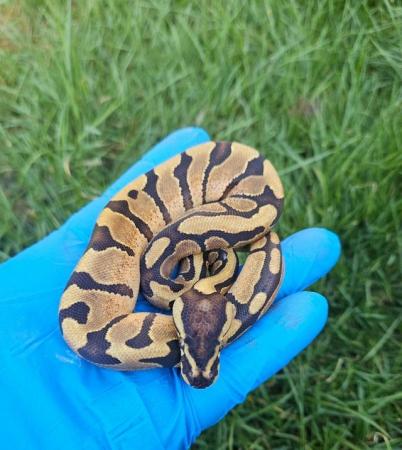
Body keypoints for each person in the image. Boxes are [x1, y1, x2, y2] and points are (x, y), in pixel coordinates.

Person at [0, 128, 341, 449]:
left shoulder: (177, 286)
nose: (197, 371)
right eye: (193, 345)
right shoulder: (175, 287)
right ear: (225, 301)